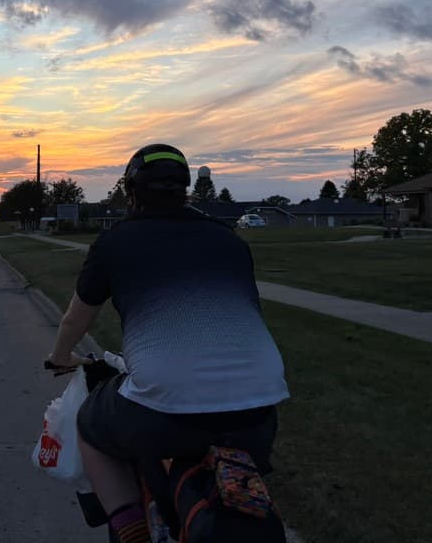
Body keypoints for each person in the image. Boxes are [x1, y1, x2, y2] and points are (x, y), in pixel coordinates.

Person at [47, 144, 289, 543]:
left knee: (90, 425)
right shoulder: (229, 240)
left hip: (164, 407)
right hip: (259, 407)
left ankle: (131, 528)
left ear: (132, 191)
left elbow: (77, 316)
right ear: (186, 190)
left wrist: (59, 357)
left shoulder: (117, 241)